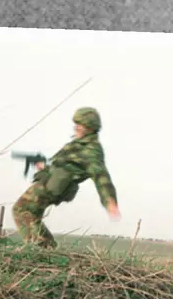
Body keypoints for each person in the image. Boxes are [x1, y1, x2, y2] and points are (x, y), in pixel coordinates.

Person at [12, 105, 120, 246]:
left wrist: (109, 201)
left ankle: (40, 248)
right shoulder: (80, 144)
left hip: (55, 186)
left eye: (80, 125)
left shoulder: (91, 150)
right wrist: (44, 167)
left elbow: (101, 176)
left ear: (90, 127)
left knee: (21, 209)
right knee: (32, 215)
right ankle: (45, 249)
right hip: (51, 182)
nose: (76, 128)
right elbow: (65, 165)